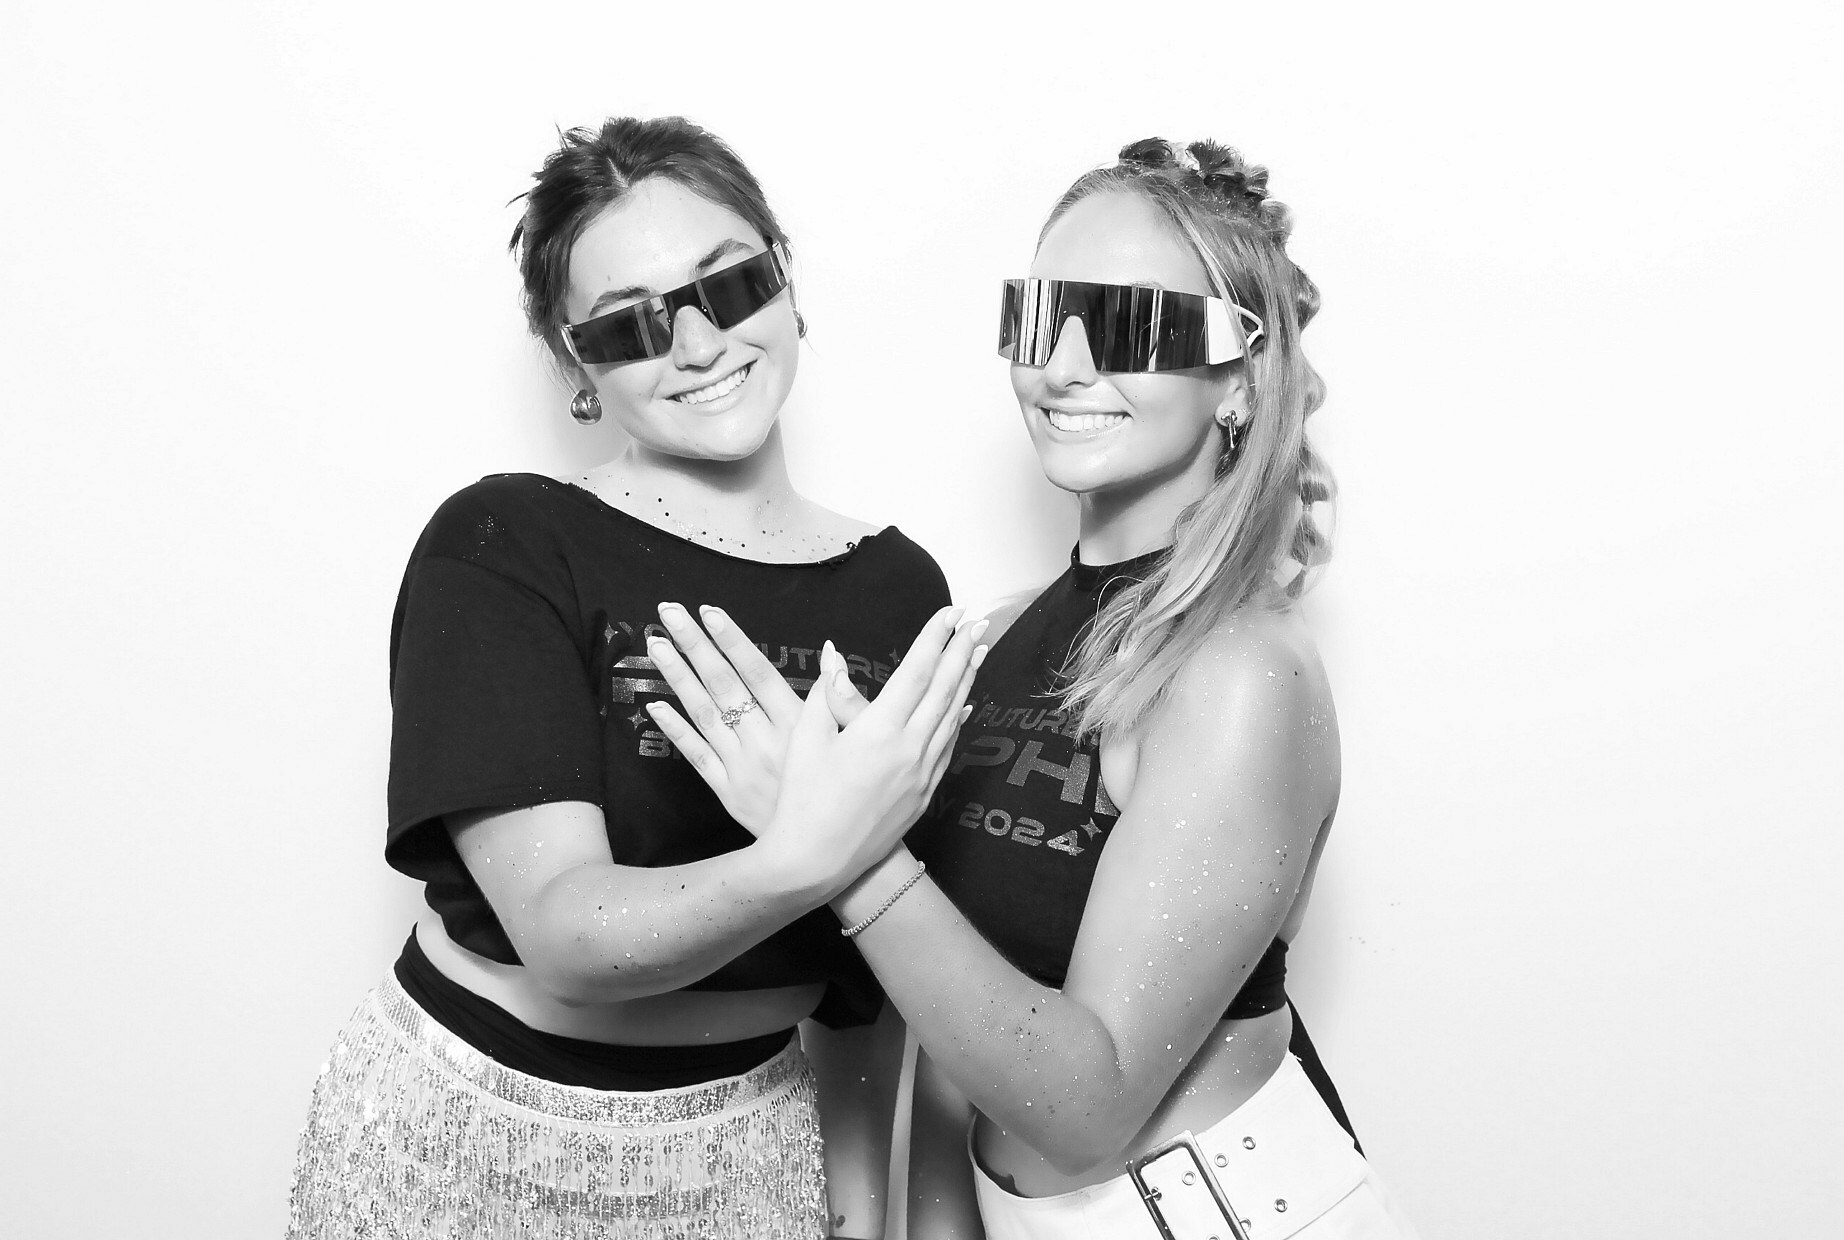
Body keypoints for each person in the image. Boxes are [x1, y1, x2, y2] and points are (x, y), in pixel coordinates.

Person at [647, 138, 1417, 1238]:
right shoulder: (1000, 638)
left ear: (1239, 378)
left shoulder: (1237, 672)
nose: (1061, 366)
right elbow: (960, 1023)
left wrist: (840, 848)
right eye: (1041, 315)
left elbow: (1085, 1108)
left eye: (1128, 325)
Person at [284, 115, 978, 1240]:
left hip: (752, 1153)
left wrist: (855, 1200)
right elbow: (566, 937)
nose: (698, 344)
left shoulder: (902, 589)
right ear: (575, 364)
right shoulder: (505, 542)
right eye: (630, 323)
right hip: (466, 1142)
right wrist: (809, 854)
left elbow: (872, 980)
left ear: (786, 282)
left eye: (731, 283)